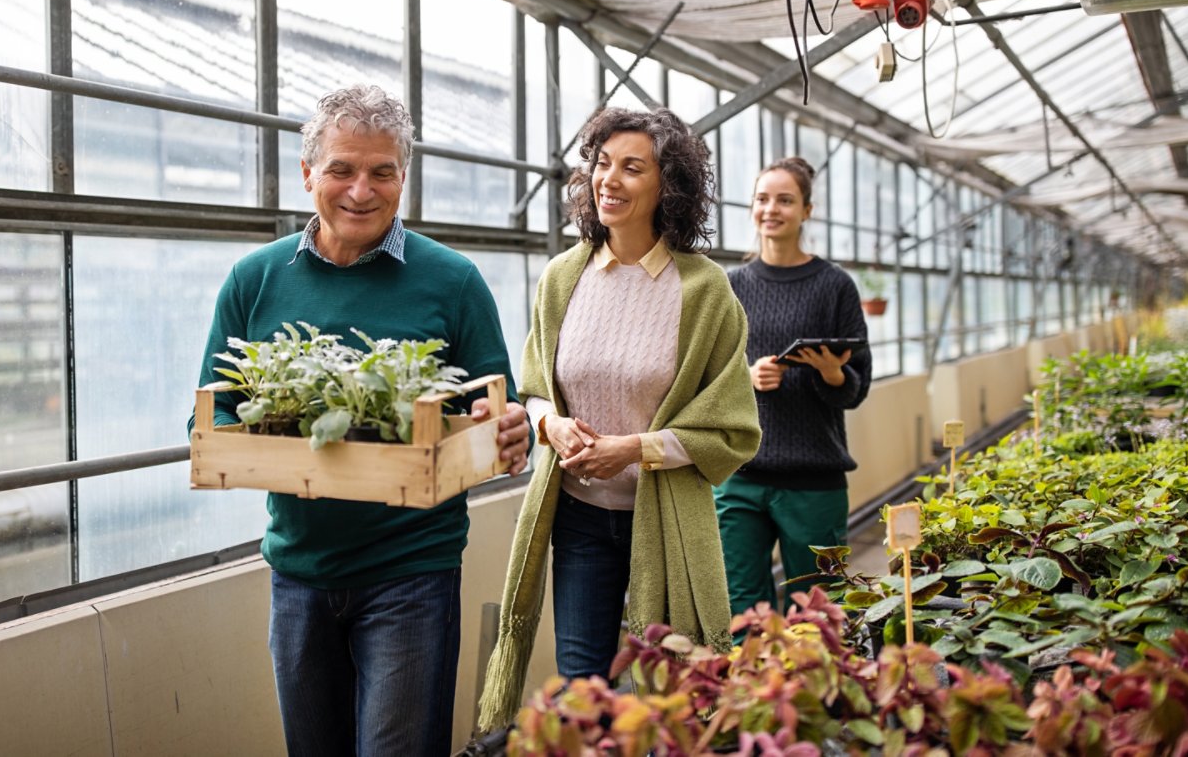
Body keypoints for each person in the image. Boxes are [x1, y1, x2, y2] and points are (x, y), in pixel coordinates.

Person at [190, 84, 530, 757]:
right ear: (308, 172)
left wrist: (504, 428)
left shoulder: (452, 281)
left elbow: (497, 410)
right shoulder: (254, 280)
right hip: (298, 573)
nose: (360, 190)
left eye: (382, 172)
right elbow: (215, 414)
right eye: (342, 169)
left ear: (404, 177)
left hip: (412, 573)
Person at [477, 107, 761, 731]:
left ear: (670, 186)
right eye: (602, 164)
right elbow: (533, 389)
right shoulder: (563, 276)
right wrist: (550, 424)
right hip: (578, 517)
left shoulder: (704, 290)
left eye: (633, 167)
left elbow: (732, 428)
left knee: (669, 691)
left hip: (664, 522)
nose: (609, 179)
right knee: (586, 688)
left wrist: (636, 448)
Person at [716, 156, 873, 616]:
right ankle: (757, 689)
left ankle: (816, 688)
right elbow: (701, 378)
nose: (771, 209)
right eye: (762, 199)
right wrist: (744, 378)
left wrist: (831, 374)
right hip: (737, 476)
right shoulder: (729, 287)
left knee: (819, 608)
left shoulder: (834, 285)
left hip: (813, 480)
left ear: (807, 210)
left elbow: (857, 385)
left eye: (785, 200)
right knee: (742, 607)